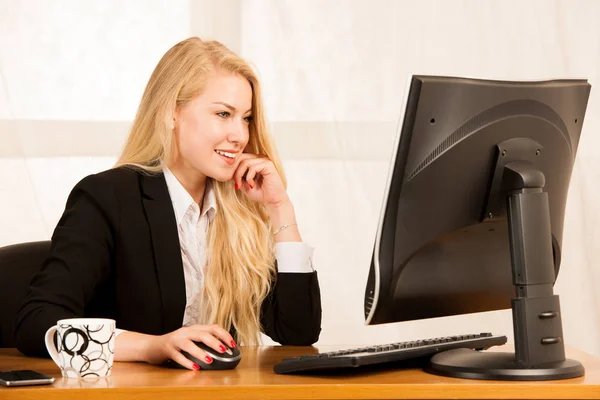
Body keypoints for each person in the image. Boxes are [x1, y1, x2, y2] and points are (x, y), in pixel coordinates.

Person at [14, 37, 322, 370]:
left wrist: (280, 207)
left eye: (245, 118)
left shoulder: (237, 208)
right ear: (172, 112)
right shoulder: (107, 197)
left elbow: (297, 331)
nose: (240, 135)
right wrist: (152, 347)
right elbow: (37, 322)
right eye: (223, 113)